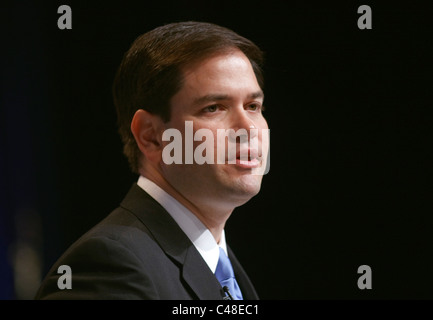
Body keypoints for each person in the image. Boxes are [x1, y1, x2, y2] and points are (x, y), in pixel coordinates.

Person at [35, 21, 269, 300]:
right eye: (214, 108)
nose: (249, 129)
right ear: (152, 137)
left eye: (253, 106)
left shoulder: (221, 265)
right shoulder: (109, 267)